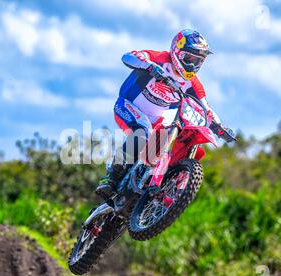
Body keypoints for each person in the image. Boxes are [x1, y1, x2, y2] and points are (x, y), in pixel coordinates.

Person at [96, 29, 233, 199]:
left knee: (167, 138)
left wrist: (220, 127)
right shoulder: (159, 59)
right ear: (176, 51)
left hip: (155, 121)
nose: (193, 65)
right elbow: (128, 56)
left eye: (198, 61)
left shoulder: (192, 84)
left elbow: (206, 108)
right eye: (189, 58)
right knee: (142, 130)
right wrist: (149, 66)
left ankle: (150, 186)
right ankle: (111, 177)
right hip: (127, 106)